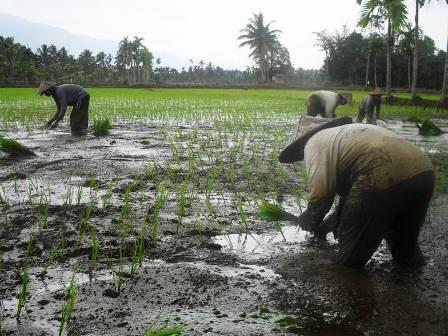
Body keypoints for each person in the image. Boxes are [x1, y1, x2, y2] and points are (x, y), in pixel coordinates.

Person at [278, 116, 435, 268]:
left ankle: (349, 284)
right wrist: (327, 225)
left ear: (300, 145)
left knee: (349, 261)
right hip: (424, 172)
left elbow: (321, 194)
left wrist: (311, 217)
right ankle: (412, 283)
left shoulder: (313, 143)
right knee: (404, 247)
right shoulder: (344, 136)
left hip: (380, 170)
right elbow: (351, 201)